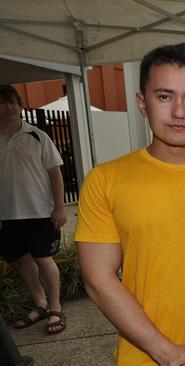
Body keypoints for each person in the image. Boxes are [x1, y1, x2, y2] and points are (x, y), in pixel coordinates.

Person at [75, 43, 185, 366]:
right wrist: (166, 353)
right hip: (143, 356)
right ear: (142, 104)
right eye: (164, 96)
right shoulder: (104, 180)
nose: (178, 111)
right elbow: (98, 279)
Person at [0, 84, 67, 335]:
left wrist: (59, 207)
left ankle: (56, 308)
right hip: (7, 215)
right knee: (23, 260)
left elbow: (55, 174)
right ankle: (40, 304)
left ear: (20, 106)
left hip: (40, 211)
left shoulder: (38, 136)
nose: (8, 107)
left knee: (43, 258)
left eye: (13, 102)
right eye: (3, 102)